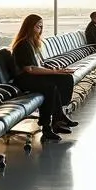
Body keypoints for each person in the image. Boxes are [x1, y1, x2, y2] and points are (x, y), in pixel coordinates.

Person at [11, 14, 79, 142]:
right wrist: (54, 72)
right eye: (38, 27)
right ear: (30, 27)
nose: (40, 30)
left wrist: (58, 70)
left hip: (34, 76)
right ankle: (47, 127)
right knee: (50, 88)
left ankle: (59, 116)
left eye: (42, 27)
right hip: (24, 79)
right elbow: (29, 69)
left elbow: (40, 64)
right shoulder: (23, 44)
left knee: (66, 78)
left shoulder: (33, 43)